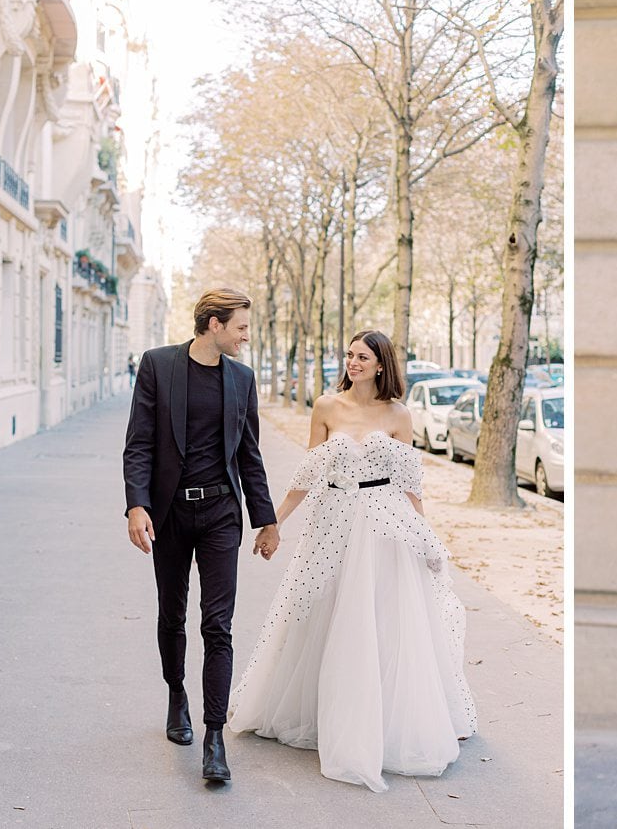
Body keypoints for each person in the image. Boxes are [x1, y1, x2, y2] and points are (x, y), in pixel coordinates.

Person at [228, 329, 477, 792]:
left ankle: (385, 720)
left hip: (386, 527)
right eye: (349, 355)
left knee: (385, 618)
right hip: (335, 521)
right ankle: (328, 714)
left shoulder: (399, 415)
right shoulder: (326, 407)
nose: (353, 362)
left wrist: (426, 540)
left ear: (381, 364)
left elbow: (410, 487)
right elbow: (307, 474)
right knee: (326, 611)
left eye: (362, 357)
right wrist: (273, 522)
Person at [123, 288, 281, 783]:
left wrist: (266, 519)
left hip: (220, 515)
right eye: (241, 327)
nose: (246, 336)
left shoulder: (242, 378)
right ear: (213, 324)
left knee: (218, 625)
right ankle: (177, 697)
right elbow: (139, 443)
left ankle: (215, 736)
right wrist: (136, 505)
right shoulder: (158, 365)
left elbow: (249, 454)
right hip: (169, 513)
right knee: (171, 614)